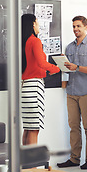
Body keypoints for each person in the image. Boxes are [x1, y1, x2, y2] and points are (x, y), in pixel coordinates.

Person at [57, 16, 87, 170]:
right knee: (73, 126)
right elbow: (66, 68)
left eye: (78, 26)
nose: (75, 29)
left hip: (86, 92)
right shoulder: (69, 47)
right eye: (74, 27)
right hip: (71, 91)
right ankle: (74, 158)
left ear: (86, 27)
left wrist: (77, 67)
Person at [21, 14, 60, 145]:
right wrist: (57, 68)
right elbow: (42, 63)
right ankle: (32, 164)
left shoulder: (22, 41)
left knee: (27, 128)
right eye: (37, 23)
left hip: (24, 87)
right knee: (34, 129)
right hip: (34, 87)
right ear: (32, 24)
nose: (39, 26)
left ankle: (25, 165)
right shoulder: (35, 41)